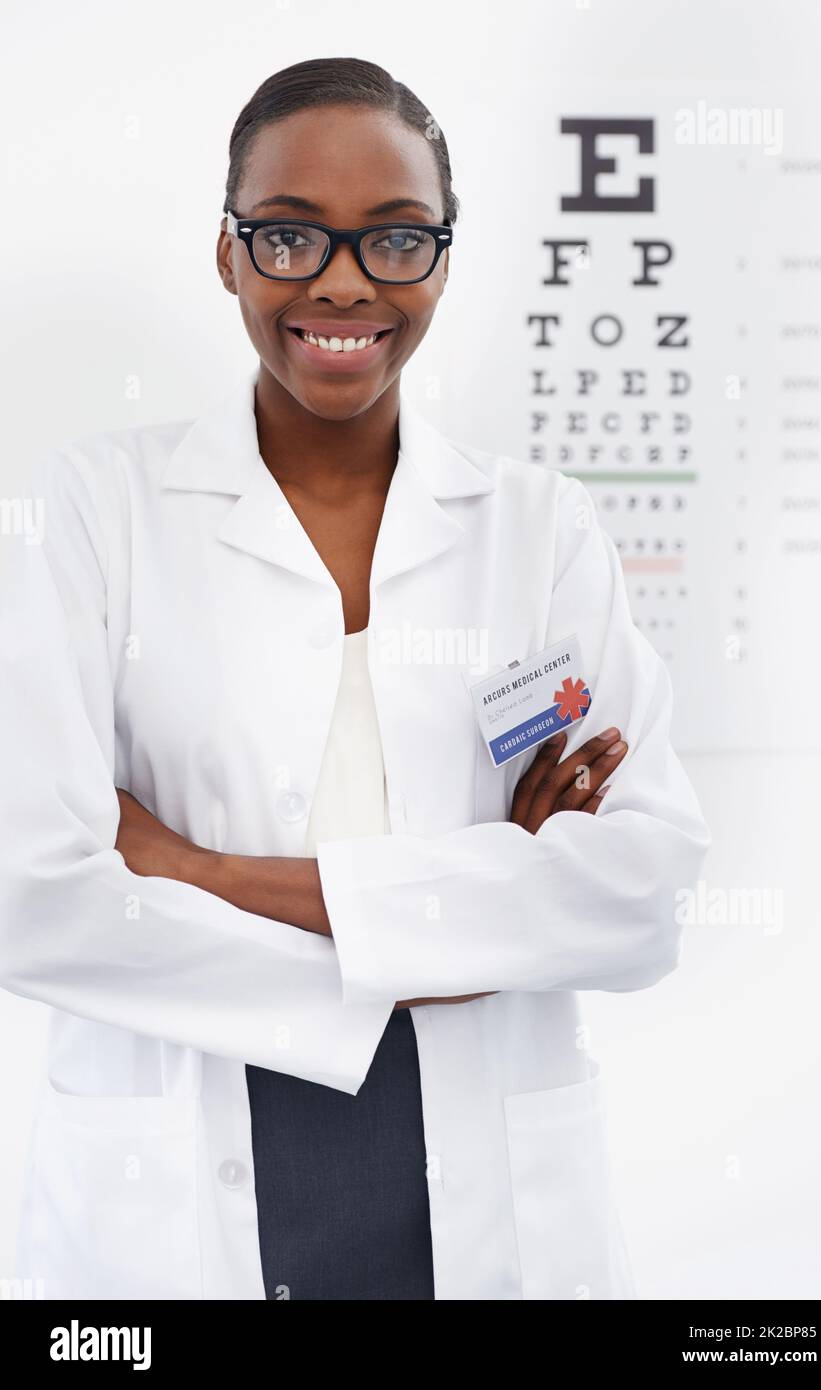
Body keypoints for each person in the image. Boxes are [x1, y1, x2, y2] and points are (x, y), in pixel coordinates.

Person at [0, 56, 710, 1301]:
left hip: (491, 1179)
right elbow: (34, 896)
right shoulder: (95, 511)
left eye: (393, 240)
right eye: (288, 236)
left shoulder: (537, 526)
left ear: (442, 258)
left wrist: (198, 870)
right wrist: (482, 918)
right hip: (172, 1178)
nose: (340, 282)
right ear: (227, 254)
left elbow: (642, 896)